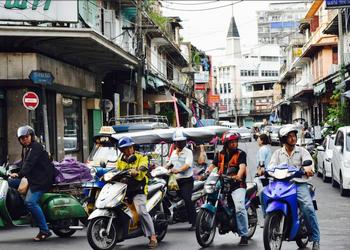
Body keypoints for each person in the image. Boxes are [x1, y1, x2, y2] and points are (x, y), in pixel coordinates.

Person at [267, 124, 320, 250]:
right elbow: (271, 166)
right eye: (289, 137)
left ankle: (316, 238)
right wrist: (265, 170)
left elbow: (309, 164)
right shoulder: (277, 154)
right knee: (266, 195)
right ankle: (270, 222)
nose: (293, 138)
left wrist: (307, 170)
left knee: (307, 207)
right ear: (284, 139)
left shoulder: (302, 151)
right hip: (281, 183)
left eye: (294, 136)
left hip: (298, 183)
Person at [9, 125, 54, 241]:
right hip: (32, 178)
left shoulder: (36, 147)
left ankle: (44, 230)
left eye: (26, 137)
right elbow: (23, 163)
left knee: (30, 202)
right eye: (22, 138)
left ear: (31, 136)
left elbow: (29, 164)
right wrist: (12, 169)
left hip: (41, 180)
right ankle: (20, 210)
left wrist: (19, 174)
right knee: (9, 183)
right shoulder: (27, 148)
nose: (24, 139)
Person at [207, 131, 249, 246]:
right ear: (226, 143)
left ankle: (244, 234)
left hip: (237, 185)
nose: (235, 144)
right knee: (211, 197)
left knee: (240, 207)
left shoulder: (241, 154)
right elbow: (213, 165)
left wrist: (238, 176)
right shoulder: (220, 154)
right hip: (222, 184)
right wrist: (206, 173)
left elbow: (242, 167)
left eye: (236, 142)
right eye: (232, 142)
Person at [116, 136, 158, 249]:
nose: (128, 150)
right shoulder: (120, 160)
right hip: (124, 190)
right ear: (121, 150)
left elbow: (144, 166)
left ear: (133, 147)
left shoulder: (141, 156)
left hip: (138, 189)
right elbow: (117, 171)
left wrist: (138, 171)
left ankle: (153, 236)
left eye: (130, 147)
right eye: (125, 149)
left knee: (141, 211)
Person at [165, 129, 197, 231]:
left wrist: (178, 170)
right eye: (178, 141)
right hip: (175, 181)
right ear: (175, 143)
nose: (180, 143)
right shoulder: (173, 152)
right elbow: (169, 164)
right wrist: (161, 169)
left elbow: (187, 165)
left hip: (186, 181)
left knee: (187, 199)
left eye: (182, 141)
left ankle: (195, 222)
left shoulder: (188, 152)